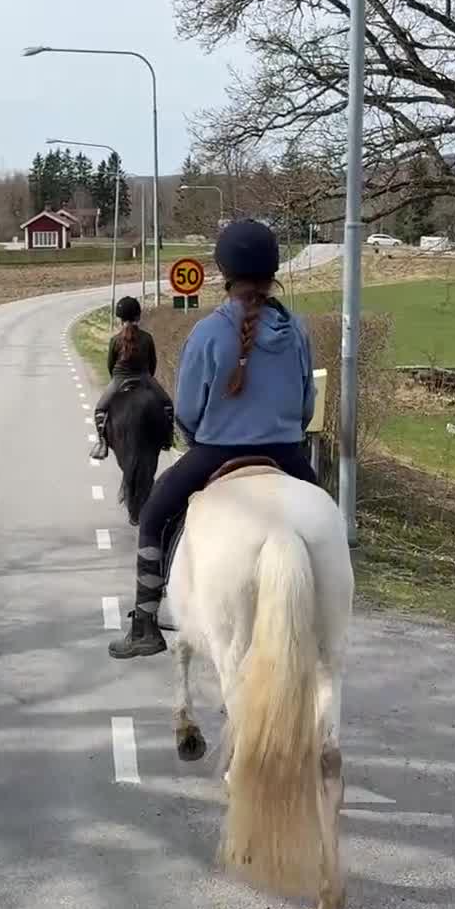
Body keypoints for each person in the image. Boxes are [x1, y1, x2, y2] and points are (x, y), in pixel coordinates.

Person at [108, 218, 318, 659]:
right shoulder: (297, 331)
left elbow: (187, 411)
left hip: (217, 452)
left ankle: (145, 624)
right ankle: (322, 621)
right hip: (287, 455)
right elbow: (305, 407)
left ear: (224, 272)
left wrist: (200, 439)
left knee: (154, 512)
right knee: (326, 520)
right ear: (273, 272)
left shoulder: (208, 332)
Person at [90, 296, 171, 458]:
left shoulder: (114, 340)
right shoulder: (147, 338)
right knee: (167, 404)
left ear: (120, 318)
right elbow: (152, 363)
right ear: (138, 316)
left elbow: (110, 365)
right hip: (144, 378)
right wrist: (148, 379)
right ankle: (167, 439)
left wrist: (116, 381)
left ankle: (102, 443)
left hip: (119, 380)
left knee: (100, 409)